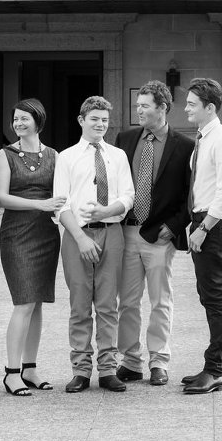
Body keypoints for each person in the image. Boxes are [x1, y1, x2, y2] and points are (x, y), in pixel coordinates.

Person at [52, 94, 135, 393]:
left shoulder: (118, 155)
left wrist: (107, 211)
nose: (100, 124)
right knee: (79, 306)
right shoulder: (66, 157)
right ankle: (81, 370)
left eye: (104, 120)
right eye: (94, 119)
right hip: (77, 236)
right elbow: (61, 205)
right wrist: (81, 237)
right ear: (81, 120)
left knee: (107, 304)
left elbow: (128, 196)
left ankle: (108, 368)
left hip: (112, 234)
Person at [115, 79, 192, 385]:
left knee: (161, 302)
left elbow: (191, 195)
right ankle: (131, 362)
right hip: (126, 232)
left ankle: (159, 361)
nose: (139, 111)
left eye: (145, 106)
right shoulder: (125, 139)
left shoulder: (185, 146)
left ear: (162, 108)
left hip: (160, 236)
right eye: (138, 106)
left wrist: (173, 227)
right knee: (128, 302)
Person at [0, 96, 64, 395]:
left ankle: (30, 368)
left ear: (38, 121)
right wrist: (41, 203)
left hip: (46, 234)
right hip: (17, 234)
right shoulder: (6, 154)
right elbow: (1, 197)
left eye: (24, 118)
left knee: (37, 305)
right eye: (15, 119)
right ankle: (11, 373)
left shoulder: (54, 155)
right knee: (23, 302)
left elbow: (62, 193)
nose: (18, 123)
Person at [181, 76, 222, 396]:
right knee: (209, 296)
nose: (187, 108)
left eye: (192, 104)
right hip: (203, 221)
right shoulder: (204, 138)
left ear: (210, 107)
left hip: (213, 224)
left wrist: (204, 229)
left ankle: (216, 369)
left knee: (215, 297)